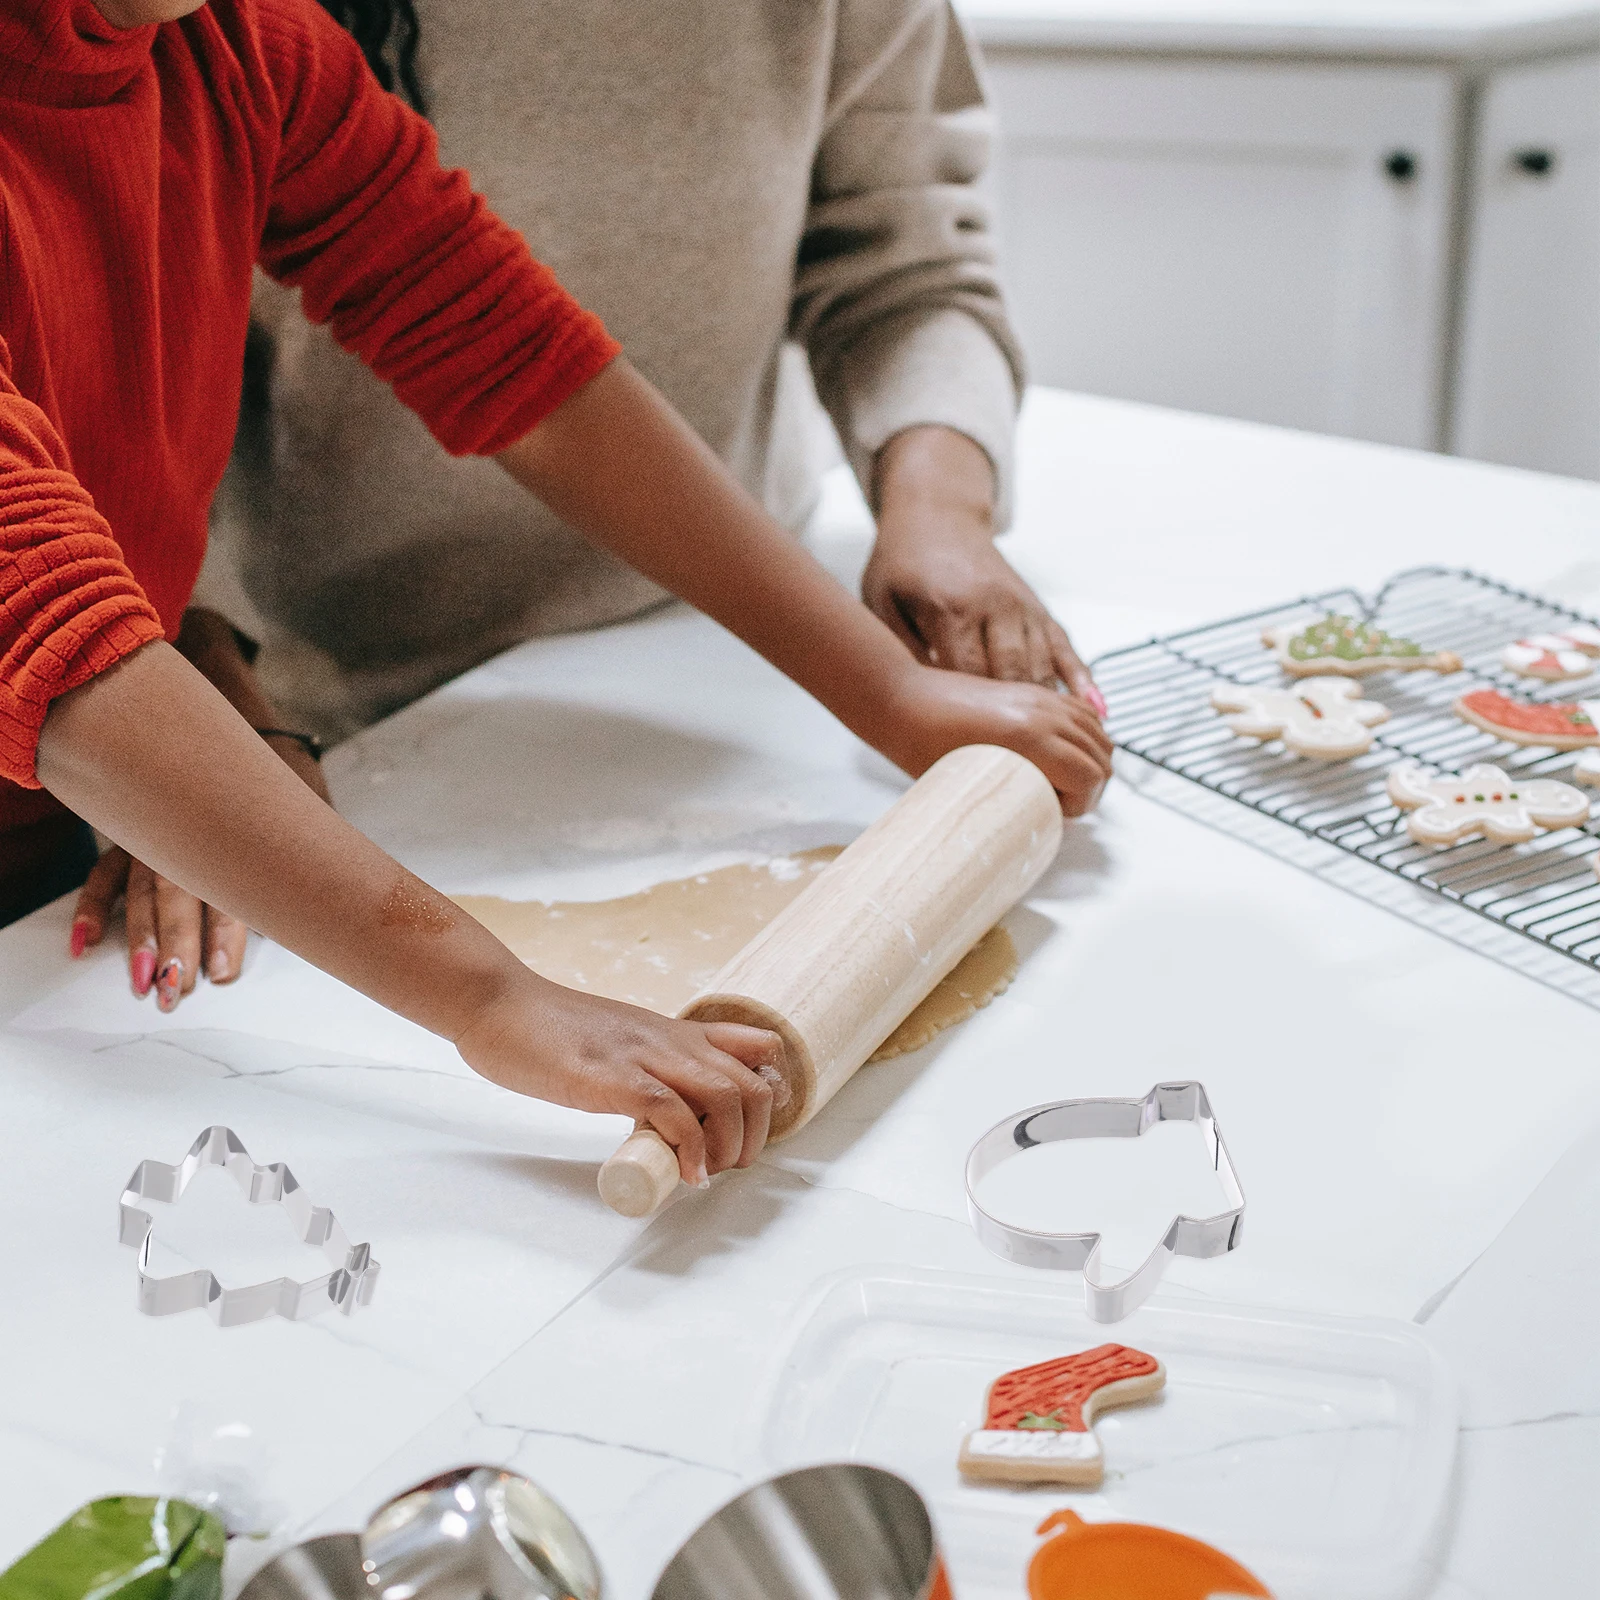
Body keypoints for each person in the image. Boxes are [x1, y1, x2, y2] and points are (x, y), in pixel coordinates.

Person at [1, 0, 1113, 1187]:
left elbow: (504, 345)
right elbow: (43, 624)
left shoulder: (232, 46)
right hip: (78, 752)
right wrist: (492, 1000)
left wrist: (884, 686)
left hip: (68, 816)